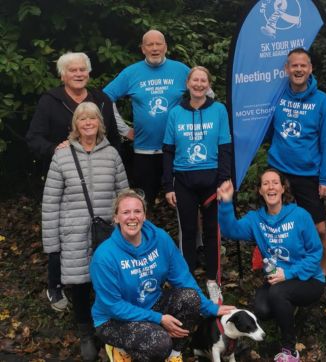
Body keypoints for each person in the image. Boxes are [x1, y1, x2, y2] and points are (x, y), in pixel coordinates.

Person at [90, 189, 234, 362]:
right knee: (160, 344)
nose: (132, 217)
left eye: (137, 211)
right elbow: (113, 306)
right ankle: (121, 350)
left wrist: (211, 308)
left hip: (151, 305)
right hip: (113, 320)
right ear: (116, 218)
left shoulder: (160, 239)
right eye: (125, 212)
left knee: (190, 298)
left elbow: (183, 278)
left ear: (144, 216)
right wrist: (158, 318)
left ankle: (174, 354)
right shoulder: (104, 256)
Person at [42, 102, 128, 361]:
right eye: (83, 119)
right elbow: (50, 202)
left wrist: (126, 229)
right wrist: (52, 245)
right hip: (74, 232)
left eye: (93, 119)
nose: (88, 123)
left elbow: (124, 194)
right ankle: (85, 331)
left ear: (99, 123)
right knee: (80, 283)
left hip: (107, 232)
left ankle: (109, 329)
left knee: (109, 281)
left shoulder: (112, 153)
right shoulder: (62, 155)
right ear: (76, 125)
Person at [217, 169, 325, 362]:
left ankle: (290, 351)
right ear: (260, 190)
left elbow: (316, 253)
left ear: (283, 188)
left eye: (275, 182)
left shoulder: (300, 215)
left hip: (309, 279)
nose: (271, 187)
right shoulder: (256, 219)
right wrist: (225, 202)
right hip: (277, 279)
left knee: (278, 294)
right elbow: (230, 230)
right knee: (262, 310)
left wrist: (289, 273)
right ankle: (290, 311)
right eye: (265, 183)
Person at [162, 66, 232, 303]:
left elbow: (224, 148)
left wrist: (224, 181)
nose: (199, 84)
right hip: (183, 180)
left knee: (213, 231)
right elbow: (168, 152)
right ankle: (188, 282)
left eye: (204, 80)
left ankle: (213, 280)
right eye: (195, 80)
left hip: (211, 180)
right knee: (188, 232)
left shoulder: (219, 110)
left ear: (208, 84)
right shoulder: (175, 113)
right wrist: (168, 186)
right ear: (188, 83)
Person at [267, 47, 326, 276]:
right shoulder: (276, 95)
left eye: (302, 65)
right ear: (286, 69)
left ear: (310, 69)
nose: (298, 69)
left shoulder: (322, 100)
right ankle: (281, 271)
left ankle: (321, 272)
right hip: (279, 171)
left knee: (319, 229)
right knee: (277, 227)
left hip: (308, 173)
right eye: (294, 65)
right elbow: (262, 129)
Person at [103, 29, 190, 209]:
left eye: (159, 44)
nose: (155, 48)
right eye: (150, 44)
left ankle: (188, 238)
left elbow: (206, 95)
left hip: (178, 149)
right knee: (144, 203)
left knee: (185, 202)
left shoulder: (181, 70)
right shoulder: (131, 73)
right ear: (143, 49)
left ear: (166, 47)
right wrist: (124, 130)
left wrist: (193, 129)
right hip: (144, 152)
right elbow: (105, 99)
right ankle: (142, 236)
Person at [26, 52, 121, 180]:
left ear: (88, 73)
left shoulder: (102, 100)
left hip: (100, 172)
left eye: (82, 69)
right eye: (72, 70)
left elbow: (114, 138)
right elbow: (34, 138)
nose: (79, 74)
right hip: (62, 174)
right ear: (62, 76)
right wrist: (55, 150)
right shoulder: (49, 101)